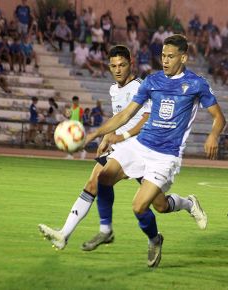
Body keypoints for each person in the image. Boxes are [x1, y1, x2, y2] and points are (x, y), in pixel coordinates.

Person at [81, 35, 225, 267]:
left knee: (144, 207)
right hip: (140, 146)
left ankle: (156, 237)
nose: (165, 61)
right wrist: (95, 133)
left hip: (166, 155)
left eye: (170, 56)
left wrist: (213, 135)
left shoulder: (196, 84)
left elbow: (219, 117)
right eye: (163, 56)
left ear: (183, 57)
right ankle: (105, 230)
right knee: (103, 177)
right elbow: (124, 115)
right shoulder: (152, 81)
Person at [38, 45, 153, 251]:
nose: (117, 70)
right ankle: (64, 233)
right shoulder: (113, 90)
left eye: (122, 65)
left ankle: (187, 205)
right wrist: (107, 137)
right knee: (93, 183)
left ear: (131, 64)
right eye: (113, 66)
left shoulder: (139, 87)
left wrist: (118, 135)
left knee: (159, 203)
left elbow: (145, 117)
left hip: (141, 150)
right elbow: (118, 117)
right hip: (120, 149)